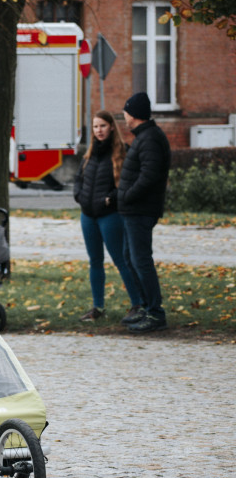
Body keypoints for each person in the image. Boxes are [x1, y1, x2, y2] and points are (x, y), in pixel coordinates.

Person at [73, 111, 142, 322]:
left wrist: (109, 199)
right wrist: (80, 196)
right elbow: (78, 180)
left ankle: (138, 304)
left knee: (121, 260)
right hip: (88, 216)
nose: (99, 130)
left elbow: (127, 183)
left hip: (110, 216)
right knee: (95, 261)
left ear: (112, 127)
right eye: (95, 127)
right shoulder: (89, 154)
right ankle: (98, 308)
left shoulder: (123, 152)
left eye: (102, 126)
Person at [118, 91, 171, 333]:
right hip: (134, 210)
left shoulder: (149, 138)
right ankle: (144, 307)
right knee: (131, 258)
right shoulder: (144, 136)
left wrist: (127, 196)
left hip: (140, 210)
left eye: (126, 112)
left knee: (141, 260)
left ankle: (155, 313)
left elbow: (149, 176)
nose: (124, 116)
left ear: (134, 114)